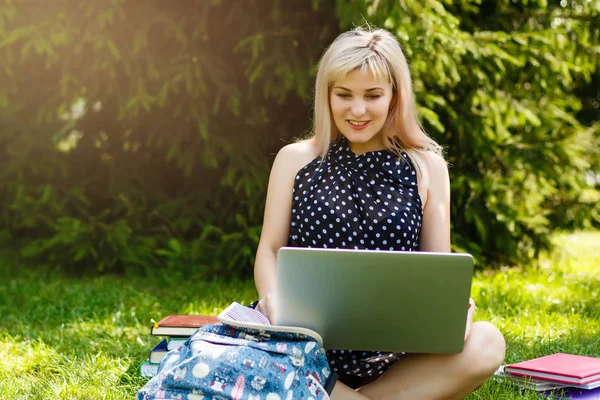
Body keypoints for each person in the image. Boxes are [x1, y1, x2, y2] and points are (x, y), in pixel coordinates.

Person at [253, 27, 506, 400]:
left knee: (488, 342)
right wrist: (273, 300)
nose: (357, 110)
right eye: (344, 95)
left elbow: (436, 269)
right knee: (250, 350)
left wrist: (453, 311)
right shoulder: (294, 160)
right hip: (301, 350)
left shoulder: (427, 166)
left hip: (396, 358)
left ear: (394, 97)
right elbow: (269, 250)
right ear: (327, 95)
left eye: (372, 96)